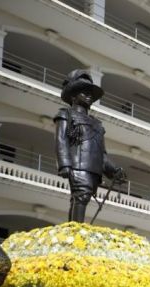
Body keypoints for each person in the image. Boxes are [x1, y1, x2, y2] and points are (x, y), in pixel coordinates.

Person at [55, 69, 125, 223]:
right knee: (81, 196)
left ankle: (73, 230)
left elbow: (102, 154)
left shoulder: (97, 124)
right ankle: (75, 233)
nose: (88, 95)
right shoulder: (66, 114)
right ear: (73, 96)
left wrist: (114, 171)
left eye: (90, 93)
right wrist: (64, 164)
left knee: (80, 199)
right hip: (77, 166)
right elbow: (61, 140)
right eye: (83, 92)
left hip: (94, 170)